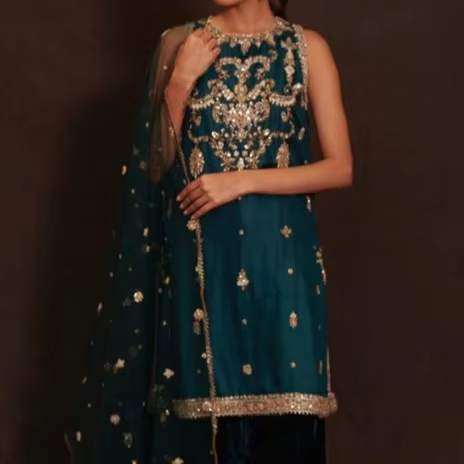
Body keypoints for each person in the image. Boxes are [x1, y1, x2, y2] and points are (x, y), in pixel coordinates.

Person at [65, 0, 353, 463]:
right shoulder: (180, 43)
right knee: (207, 434)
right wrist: (180, 82)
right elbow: (154, 167)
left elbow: (339, 168)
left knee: (289, 430)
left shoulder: (307, 48)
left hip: (284, 278)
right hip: (204, 273)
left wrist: (240, 180)